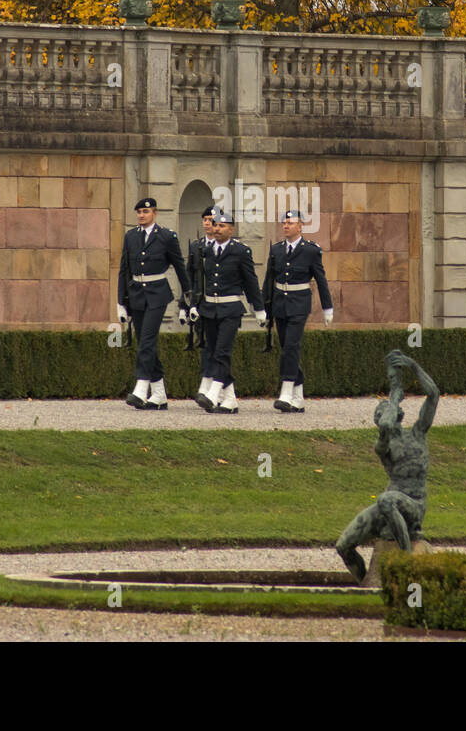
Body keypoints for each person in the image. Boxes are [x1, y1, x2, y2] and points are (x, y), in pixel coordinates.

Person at [335, 350, 439, 582]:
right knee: (343, 546)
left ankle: (406, 559)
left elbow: (433, 394)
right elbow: (384, 426)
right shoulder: (382, 446)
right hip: (389, 506)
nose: (383, 413)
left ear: (399, 414)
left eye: (385, 409)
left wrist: (413, 366)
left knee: (386, 499)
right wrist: (393, 398)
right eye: (379, 412)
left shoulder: (418, 434)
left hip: (413, 504)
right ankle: (366, 587)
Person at [188, 209, 265, 413]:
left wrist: (259, 308)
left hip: (230, 308)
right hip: (209, 308)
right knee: (213, 352)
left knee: (222, 351)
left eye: (222, 226)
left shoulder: (240, 251)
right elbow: (199, 281)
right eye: (216, 225)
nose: (217, 229)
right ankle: (230, 399)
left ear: (231, 229)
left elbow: (250, 281)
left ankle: (213, 394)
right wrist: (194, 304)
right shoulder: (206, 250)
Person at [117, 198, 190, 410]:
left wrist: (188, 299)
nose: (141, 215)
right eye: (139, 211)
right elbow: (124, 270)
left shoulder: (167, 237)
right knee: (144, 342)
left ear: (155, 213)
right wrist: (121, 301)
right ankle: (159, 394)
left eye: (145, 211)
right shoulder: (131, 236)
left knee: (147, 339)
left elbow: (180, 267)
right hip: (137, 293)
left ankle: (141, 387)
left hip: (158, 293)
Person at [261, 209, 333, 413]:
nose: (286, 226)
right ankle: (298, 397)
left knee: (292, 346)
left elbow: (321, 279)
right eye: (284, 223)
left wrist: (328, 307)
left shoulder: (311, 250)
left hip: (299, 304)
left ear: (300, 226)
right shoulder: (276, 250)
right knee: (287, 349)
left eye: (290, 223)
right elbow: (268, 280)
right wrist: (264, 308)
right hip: (279, 305)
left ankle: (286, 391)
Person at [187, 205, 219, 392]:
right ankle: (208, 382)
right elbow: (190, 277)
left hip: (219, 303)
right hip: (200, 303)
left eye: (211, 220)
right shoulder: (196, 246)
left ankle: (214, 385)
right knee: (204, 343)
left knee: (218, 346)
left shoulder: (226, 247)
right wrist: (186, 305)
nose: (208, 224)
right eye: (205, 220)